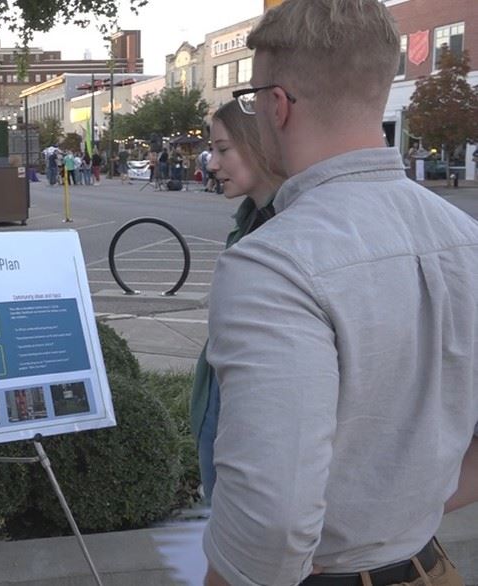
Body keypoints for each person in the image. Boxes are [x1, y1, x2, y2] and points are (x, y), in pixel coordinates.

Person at [203, 1, 478, 585]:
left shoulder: (271, 263)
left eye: (252, 100)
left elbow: (270, 521)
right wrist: (401, 515)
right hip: (431, 566)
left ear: (277, 106)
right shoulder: (466, 238)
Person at [190, 101, 285, 504]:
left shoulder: (290, 229)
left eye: (223, 150)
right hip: (223, 412)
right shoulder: (250, 219)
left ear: (258, 145)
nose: (212, 164)